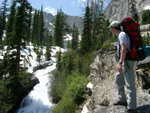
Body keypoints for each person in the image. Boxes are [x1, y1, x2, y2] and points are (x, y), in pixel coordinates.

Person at [109, 21, 137, 113]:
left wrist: (120, 63)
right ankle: (122, 99)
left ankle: (132, 108)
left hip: (127, 61)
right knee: (119, 79)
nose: (110, 30)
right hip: (123, 61)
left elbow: (124, 49)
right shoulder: (120, 35)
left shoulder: (122, 35)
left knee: (130, 84)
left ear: (114, 28)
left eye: (110, 28)